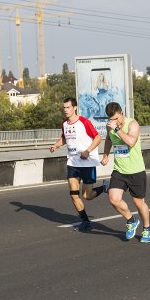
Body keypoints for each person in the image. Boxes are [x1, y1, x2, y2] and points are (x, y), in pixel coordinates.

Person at [49, 97, 104, 232]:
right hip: (72, 162)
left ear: (74, 108)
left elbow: (98, 138)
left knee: (87, 196)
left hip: (87, 163)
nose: (65, 110)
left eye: (68, 107)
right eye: (64, 108)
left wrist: (87, 151)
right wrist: (56, 145)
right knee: (74, 194)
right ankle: (85, 221)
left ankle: (104, 187)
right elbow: (64, 137)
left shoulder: (84, 122)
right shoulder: (65, 124)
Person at [100, 102, 150, 242]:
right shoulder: (110, 125)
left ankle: (147, 228)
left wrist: (117, 129)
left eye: (117, 118)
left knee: (139, 203)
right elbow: (108, 139)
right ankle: (131, 220)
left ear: (122, 112)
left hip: (136, 170)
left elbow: (130, 142)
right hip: (119, 169)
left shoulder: (132, 124)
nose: (114, 121)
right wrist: (105, 154)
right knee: (113, 199)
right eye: (111, 119)